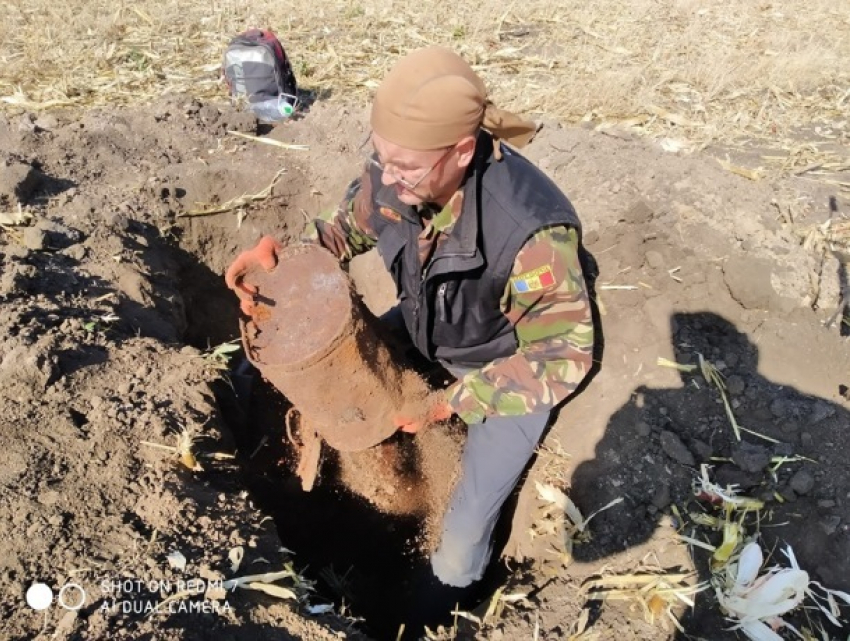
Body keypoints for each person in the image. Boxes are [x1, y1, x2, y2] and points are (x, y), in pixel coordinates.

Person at [226, 46, 599, 633]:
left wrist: (445, 404)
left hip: (505, 364)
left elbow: (562, 358)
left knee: (464, 535)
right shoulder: (397, 174)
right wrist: (282, 262)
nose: (390, 179)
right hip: (434, 326)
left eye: (405, 168)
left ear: (462, 151)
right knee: (277, 381)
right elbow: (341, 232)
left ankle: (426, 614)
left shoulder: (531, 234)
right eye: (382, 160)